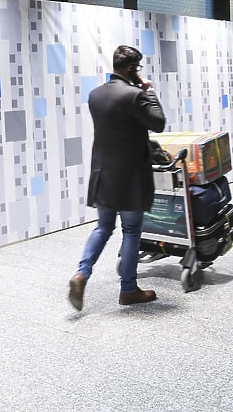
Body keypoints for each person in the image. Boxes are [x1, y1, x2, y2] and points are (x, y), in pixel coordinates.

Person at [68, 45, 166, 310]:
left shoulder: (95, 94)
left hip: (102, 174)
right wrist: (149, 91)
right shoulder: (134, 95)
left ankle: (82, 273)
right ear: (133, 68)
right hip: (130, 177)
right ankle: (129, 290)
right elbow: (158, 123)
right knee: (132, 230)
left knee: (103, 227)